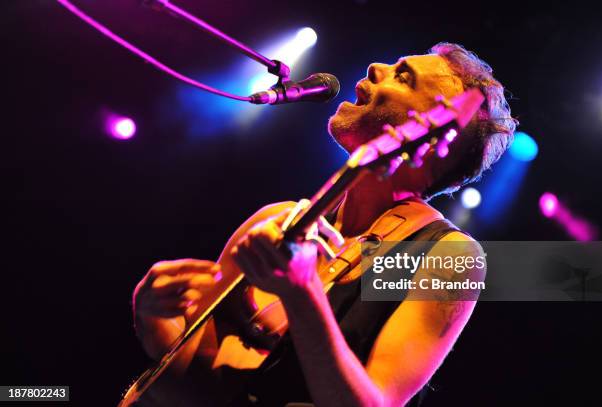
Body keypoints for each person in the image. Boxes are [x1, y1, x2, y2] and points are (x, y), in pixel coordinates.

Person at [132, 43, 516, 406]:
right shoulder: (277, 219)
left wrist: (303, 295)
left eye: (403, 77)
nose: (376, 68)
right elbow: (192, 376)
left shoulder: (442, 254)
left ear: (432, 138)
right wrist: (154, 320)